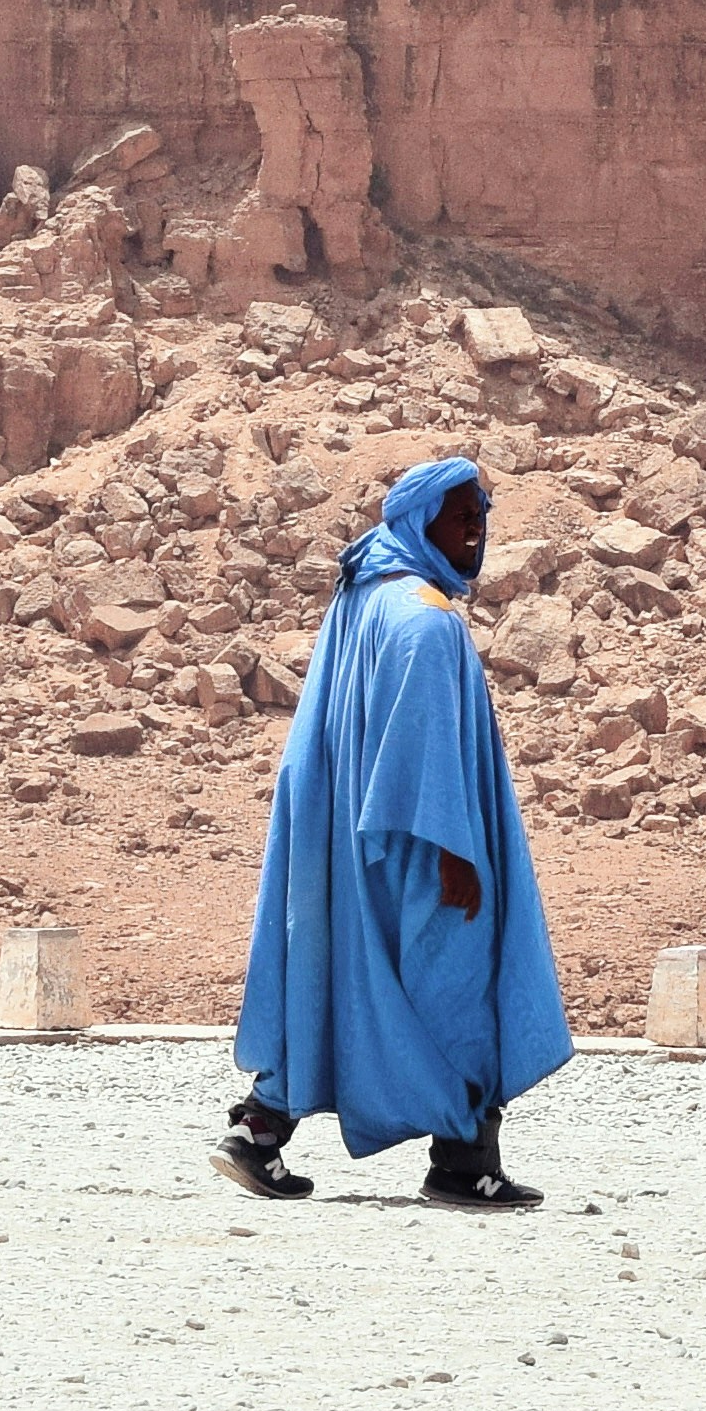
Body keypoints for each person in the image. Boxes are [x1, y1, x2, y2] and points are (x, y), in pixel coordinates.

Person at [225, 451, 568, 1208]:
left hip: (354, 837)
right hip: (416, 844)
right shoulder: (426, 619)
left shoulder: (369, 595)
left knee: (338, 976)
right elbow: (419, 746)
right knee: (461, 988)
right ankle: (463, 1163)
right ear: (422, 522)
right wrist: (454, 853)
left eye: (481, 516)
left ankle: (261, 1129)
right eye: (460, 516)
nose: (475, 531)